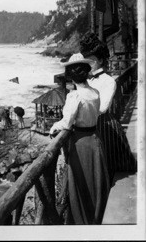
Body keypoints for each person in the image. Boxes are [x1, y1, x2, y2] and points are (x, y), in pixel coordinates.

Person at [49, 53, 110, 225]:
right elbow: (96, 113)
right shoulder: (95, 92)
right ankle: (97, 216)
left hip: (80, 143)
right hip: (95, 140)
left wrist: (54, 126)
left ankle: (83, 220)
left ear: (70, 75)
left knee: (82, 183)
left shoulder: (74, 96)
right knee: (95, 181)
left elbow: (67, 124)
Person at [80, 34, 137, 180]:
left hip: (104, 126)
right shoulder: (85, 80)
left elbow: (102, 108)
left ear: (100, 60)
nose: (88, 64)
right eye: (86, 60)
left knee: (106, 168)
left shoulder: (108, 81)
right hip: (88, 125)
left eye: (91, 60)